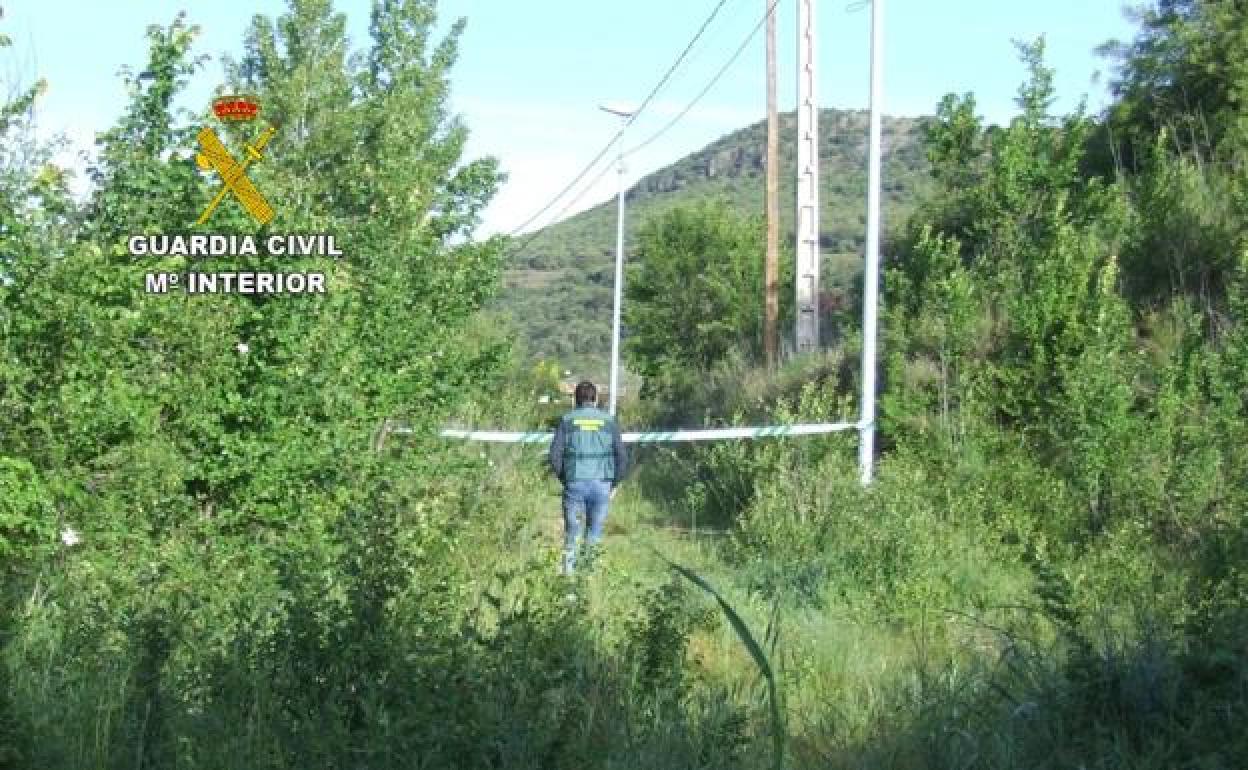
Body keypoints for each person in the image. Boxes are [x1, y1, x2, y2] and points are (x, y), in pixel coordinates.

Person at [548, 381, 628, 575]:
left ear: (575, 400)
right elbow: (623, 457)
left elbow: (554, 455)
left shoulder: (567, 420)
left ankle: (568, 582)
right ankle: (588, 578)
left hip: (574, 483)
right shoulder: (609, 422)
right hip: (602, 485)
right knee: (594, 534)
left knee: (572, 534)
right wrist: (614, 483)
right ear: (596, 399)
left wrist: (565, 479)